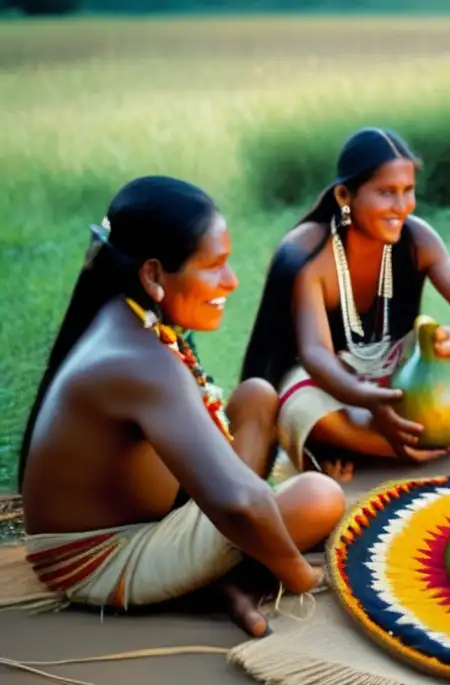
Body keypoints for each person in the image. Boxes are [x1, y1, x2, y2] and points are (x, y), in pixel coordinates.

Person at [17, 176, 342, 637]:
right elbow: (241, 505)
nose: (231, 281)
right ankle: (240, 581)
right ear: (152, 275)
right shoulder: (138, 360)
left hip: (160, 514)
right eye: (214, 266)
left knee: (256, 397)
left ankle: (232, 576)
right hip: (103, 558)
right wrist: (301, 576)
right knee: (319, 497)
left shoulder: (133, 316)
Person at [241, 128, 450, 481]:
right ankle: (391, 445)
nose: (402, 206)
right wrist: (365, 398)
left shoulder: (417, 238)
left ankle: (384, 442)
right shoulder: (309, 253)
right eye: (386, 193)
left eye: (408, 191)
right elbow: (316, 353)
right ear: (345, 195)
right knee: (302, 408)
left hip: (398, 371)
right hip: (330, 383)